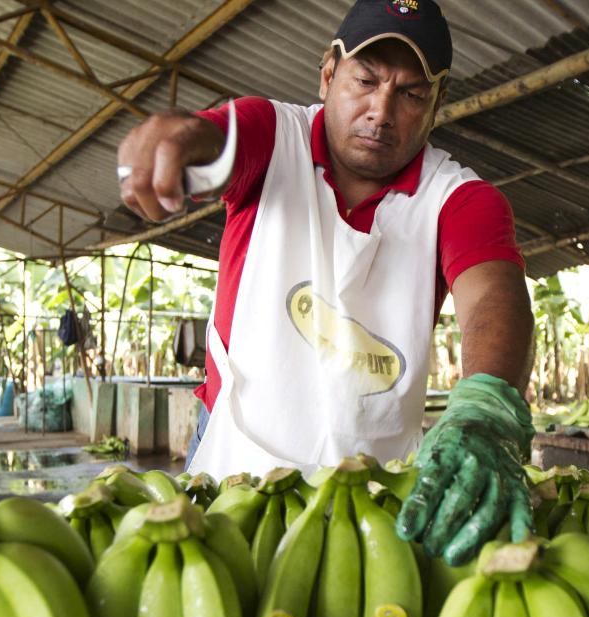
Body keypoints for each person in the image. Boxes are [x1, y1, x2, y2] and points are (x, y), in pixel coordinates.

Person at [118, 0, 533, 566]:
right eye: (365, 81)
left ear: (437, 103)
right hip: (233, 464)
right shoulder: (274, 137)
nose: (381, 112)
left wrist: (486, 405)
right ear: (327, 73)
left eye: (411, 94)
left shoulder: (459, 199)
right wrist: (176, 137)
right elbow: (214, 138)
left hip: (376, 493)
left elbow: (493, 295)